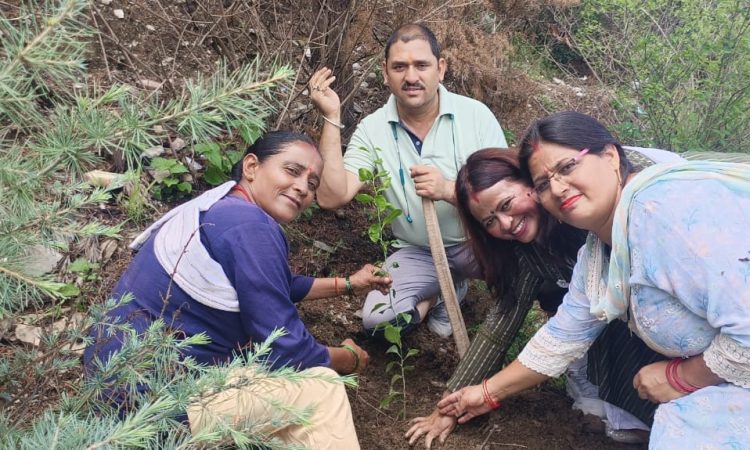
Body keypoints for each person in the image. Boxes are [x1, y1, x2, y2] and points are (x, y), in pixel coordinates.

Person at [438, 112, 750, 449]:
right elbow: (562, 336)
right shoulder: (600, 249)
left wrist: (680, 377)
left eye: (568, 166)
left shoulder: (662, 212)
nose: (559, 187)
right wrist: (481, 394)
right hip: (741, 369)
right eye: (545, 183)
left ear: (611, 156)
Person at [83, 131, 392, 450]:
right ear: (251, 166)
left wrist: (349, 285)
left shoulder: (220, 206)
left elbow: (275, 285)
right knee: (321, 386)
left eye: (312, 184)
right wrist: (347, 358)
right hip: (154, 408)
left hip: (110, 389)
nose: (302, 187)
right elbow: (287, 349)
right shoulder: (251, 226)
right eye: (292, 171)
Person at [407, 147, 680, 448]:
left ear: (532, 182)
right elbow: (499, 329)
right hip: (594, 322)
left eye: (507, 204)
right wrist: (451, 404)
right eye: (490, 222)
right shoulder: (527, 255)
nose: (506, 224)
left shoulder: (588, 211)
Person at [309, 23, 508, 338]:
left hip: (479, 241)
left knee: (527, 272)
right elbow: (333, 196)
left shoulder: (476, 117)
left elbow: (506, 196)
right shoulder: (372, 130)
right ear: (385, 73)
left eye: (422, 65)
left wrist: (449, 190)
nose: (411, 77)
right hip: (418, 250)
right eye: (399, 67)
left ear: (440, 69)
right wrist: (331, 117)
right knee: (378, 320)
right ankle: (444, 290)